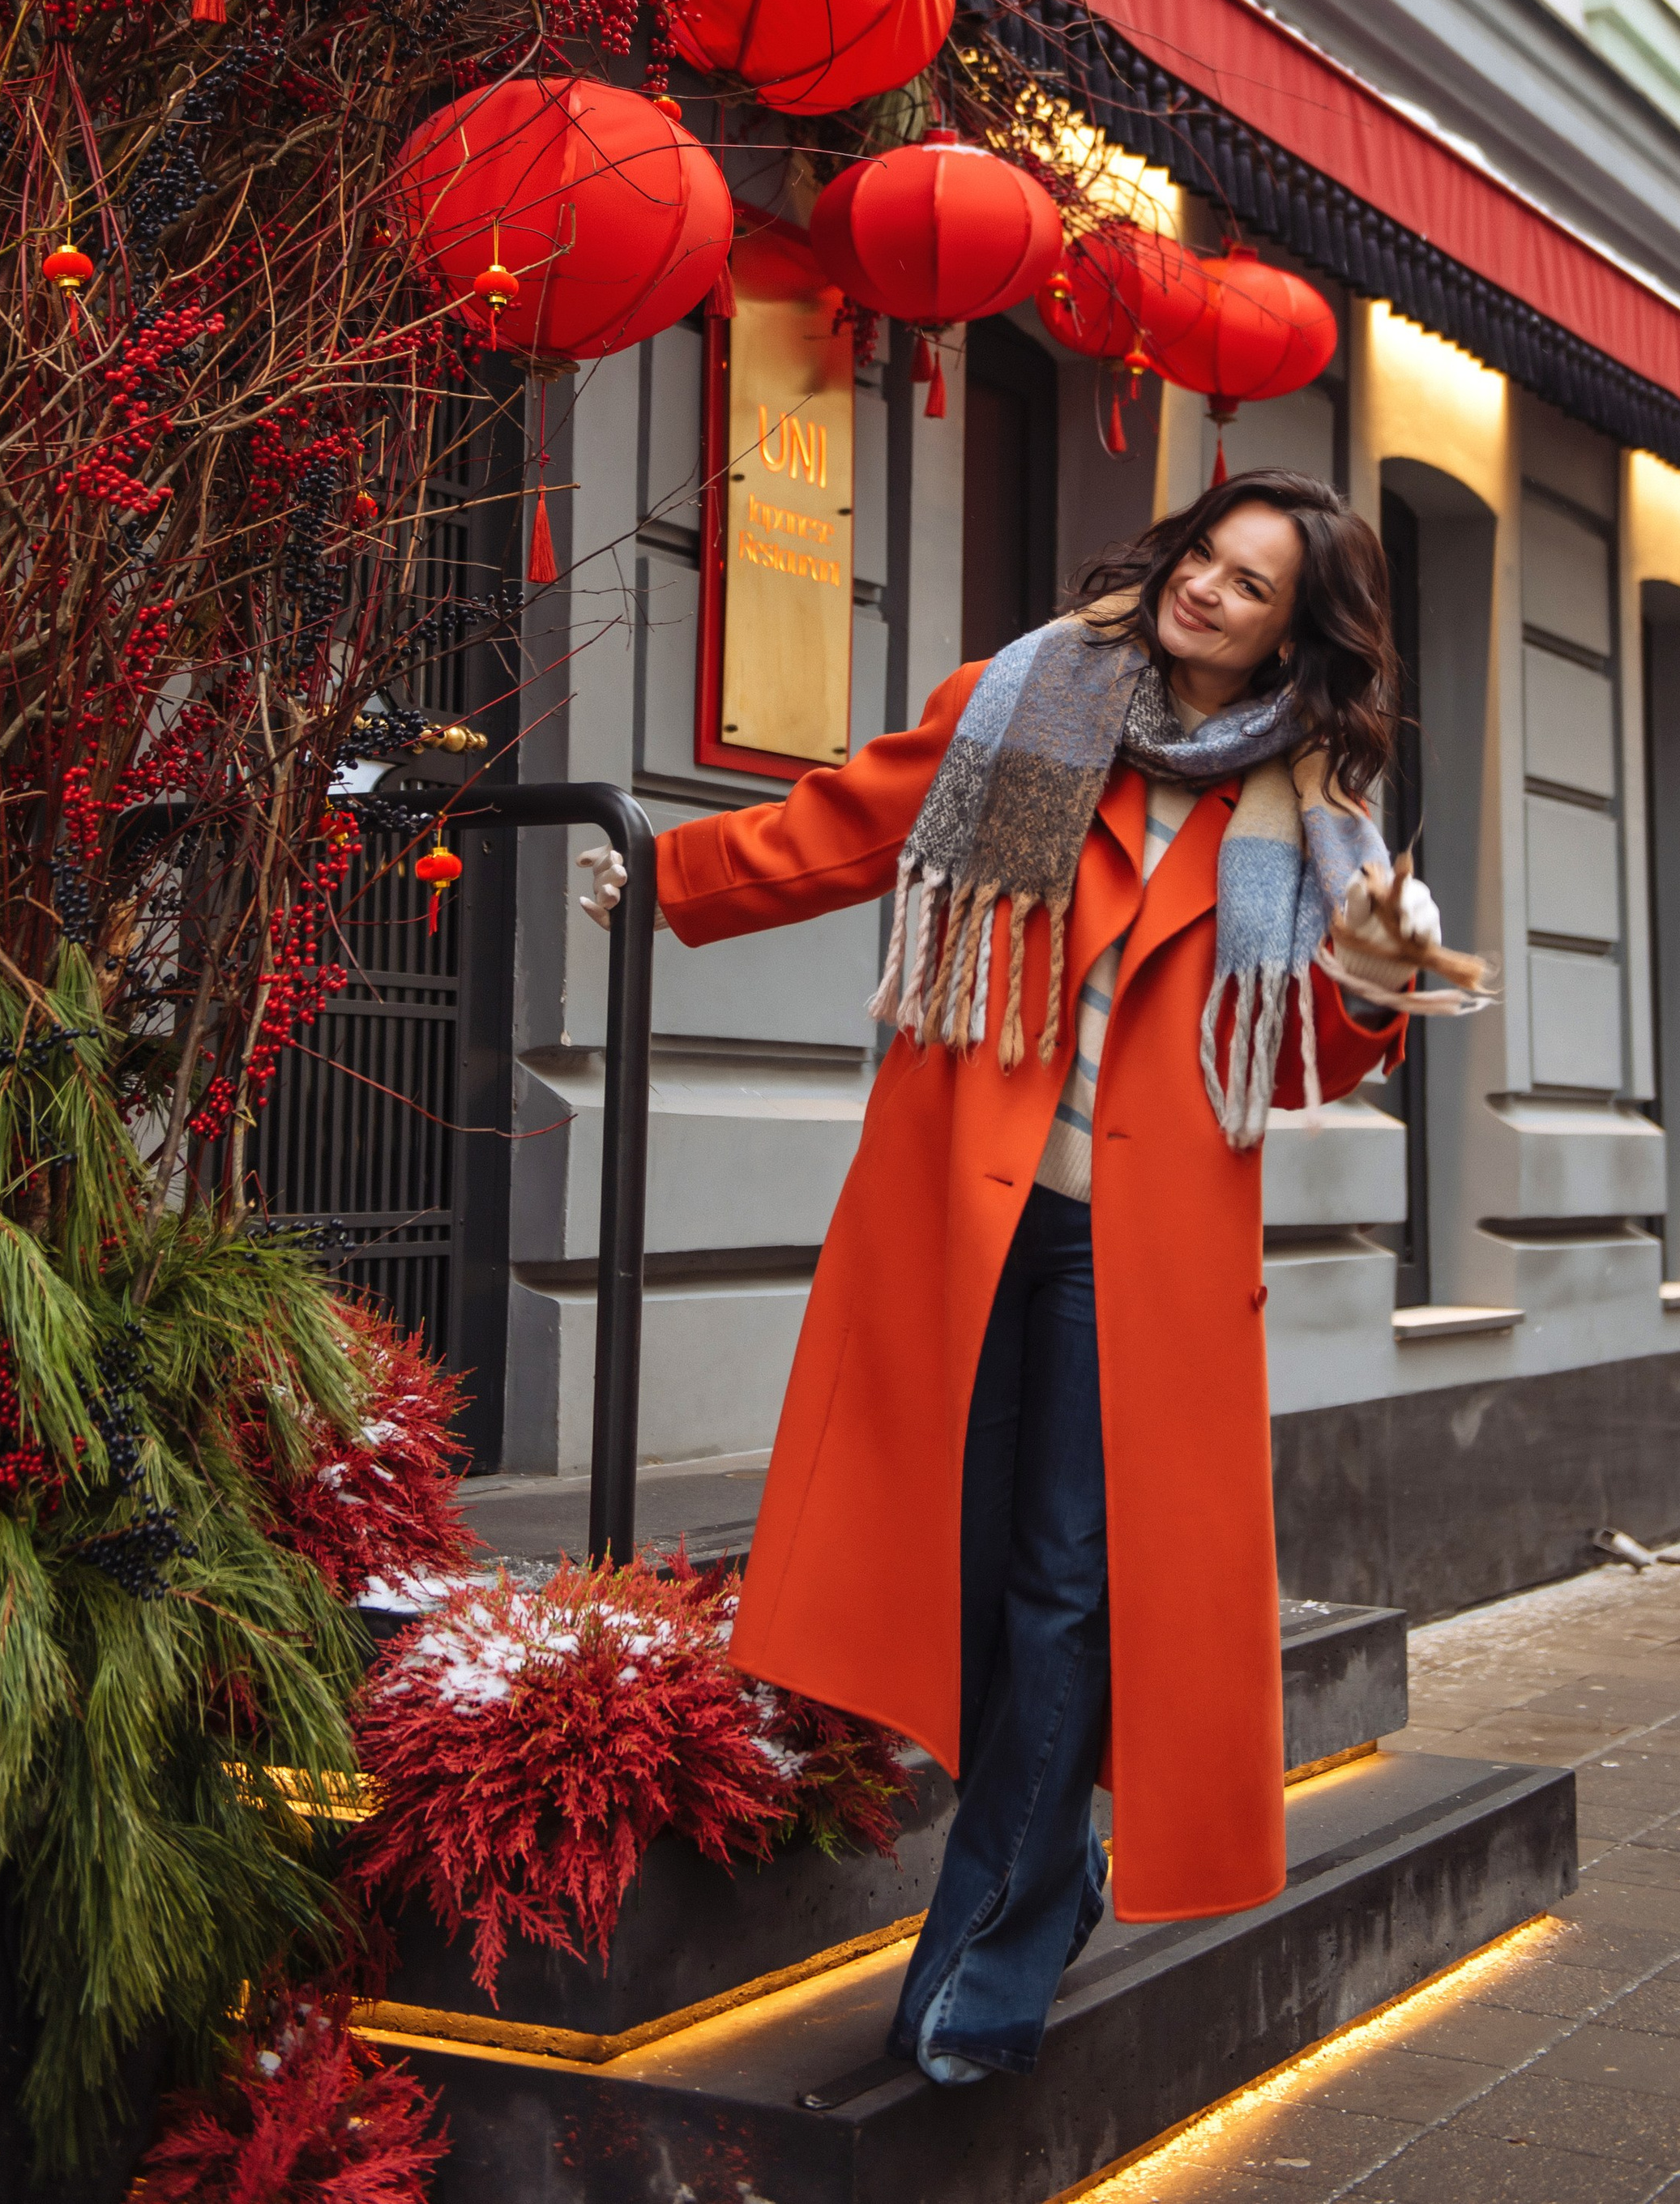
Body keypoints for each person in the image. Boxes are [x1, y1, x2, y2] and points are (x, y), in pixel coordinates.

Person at [576, 472, 1450, 2084]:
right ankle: (1047, 1867)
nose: (1204, 589)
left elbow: (1301, 1058)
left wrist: (1373, 978)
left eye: (1249, 584)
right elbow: (852, 818)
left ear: (1294, 636)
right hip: (962, 1215)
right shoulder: (1028, 698)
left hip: (1143, 1255)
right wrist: (673, 876)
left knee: (1066, 1587)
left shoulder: (1313, 813)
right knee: (968, 1575)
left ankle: (996, 1933)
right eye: (1203, 555)